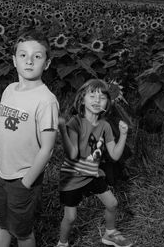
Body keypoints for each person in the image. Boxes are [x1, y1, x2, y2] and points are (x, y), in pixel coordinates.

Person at [0, 30, 59, 247]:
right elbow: (2, 129)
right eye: (23, 55)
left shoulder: (45, 101)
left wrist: (27, 182)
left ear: (47, 64)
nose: (29, 61)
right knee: (1, 224)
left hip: (23, 177)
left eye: (37, 56)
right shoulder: (9, 90)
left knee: (22, 232)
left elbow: (47, 149)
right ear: (14, 60)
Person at [56, 79, 132, 247]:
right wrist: (62, 130)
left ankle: (110, 233)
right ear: (82, 100)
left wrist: (123, 134)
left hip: (92, 175)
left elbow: (114, 155)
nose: (97, 100)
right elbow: (73, 153)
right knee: (71, 217)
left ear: (108, 103)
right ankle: (62, 243)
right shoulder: (74, 123)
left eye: (102, 97)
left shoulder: (105, 125)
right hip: (72, 177)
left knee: (112, 204)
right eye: (92, 95)